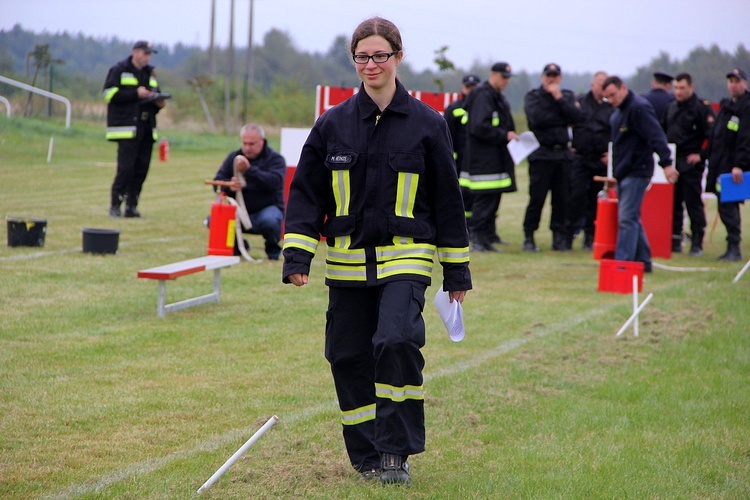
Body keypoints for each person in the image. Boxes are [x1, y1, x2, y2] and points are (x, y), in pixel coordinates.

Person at [281, 17, 471, 486]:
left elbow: (448, 201)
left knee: (396, 341)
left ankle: (395, 453)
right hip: (346, 263)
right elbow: (306, 194)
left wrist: (457, 272)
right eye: (362, 56)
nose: (371, 64)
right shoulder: (332, 124)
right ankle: (365, 455)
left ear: (398, 58)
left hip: (407, 259)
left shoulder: (429, 125)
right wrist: (297, 257)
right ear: (354, 61)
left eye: (380, 55)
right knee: (346, 355)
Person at [602, 76, 678, 271]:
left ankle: (622, 265)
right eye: (607, 97)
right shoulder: (617, 113)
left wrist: (667, 163)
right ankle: (644, 262)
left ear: (623, 88)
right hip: (623, 173)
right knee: (632, 217)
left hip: (638, 171)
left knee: (626, 218)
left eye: (613, 95)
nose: (611, 100)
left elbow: (656, 135)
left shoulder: (638, 107)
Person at [522, 63, 584, 251]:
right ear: (542, 77)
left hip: (562, 155)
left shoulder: (565, 96)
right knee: (537, 198)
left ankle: (558, 237)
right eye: (548, 75)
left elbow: (577, 117)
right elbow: (537, 119)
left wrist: (558, 99)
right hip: (542, 154)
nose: (551, 78)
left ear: (560, 78)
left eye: (555, 75)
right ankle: (529, 236)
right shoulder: (533, 96)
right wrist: (561, 115)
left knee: (562, 199)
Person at [104, 40, 166, 218]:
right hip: (127, 128)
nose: (147, 58)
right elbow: (109, 94)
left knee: (141, 169)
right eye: (145, 54)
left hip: (146, 128)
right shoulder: (119, 70)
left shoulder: (150, 73)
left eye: (149, 54)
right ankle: (115, 206)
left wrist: (159, 102)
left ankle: (132, 206)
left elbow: (155, 94)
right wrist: (135, 94)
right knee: (126, 169)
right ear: (135, 52)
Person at [462, 62, 518, 252]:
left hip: (495, 160)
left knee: (492, 201)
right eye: (503, 77)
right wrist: (504, 135)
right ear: (492, 74)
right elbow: (479, 127)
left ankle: (485, 239)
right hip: (483, 161)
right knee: (484, 201)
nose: (505, 81)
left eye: (508, 78)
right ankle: (476, 238)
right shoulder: (482, 94)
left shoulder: (496, 96)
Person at [212, 124, 286, 260]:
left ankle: (272, 250)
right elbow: (217, 181)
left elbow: (274, 182)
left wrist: (250, 170)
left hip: (266, 209)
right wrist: (230, 186)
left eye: (252, 144)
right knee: (214, 219)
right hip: (239, 211)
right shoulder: (233, 158)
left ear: (261, 141)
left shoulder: (275, 159)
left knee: (270, 220)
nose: (247, 147)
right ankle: (238, 247)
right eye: (244, 143)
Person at [663, 72, 716, 256]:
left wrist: (701, 155)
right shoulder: (671, 107)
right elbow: (663, 131)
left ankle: (696, 242)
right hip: (673, 160)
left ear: (691, 88)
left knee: (693, 203)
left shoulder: (701, 108)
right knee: (673, 203)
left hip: (690, 162)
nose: (678, 92)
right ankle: (675, 240)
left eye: (682, 88)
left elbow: (712, 136)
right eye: (675, 88)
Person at [705, 67, 750, 262]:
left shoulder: (747, 107)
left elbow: (746, 139)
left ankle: (735, 247)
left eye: (737, 81)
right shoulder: (725, 106)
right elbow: (716, 134)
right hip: (720, 165)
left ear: (745, 84)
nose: (733, 85)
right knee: (723, 204)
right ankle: (730, 246)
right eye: (730, 81)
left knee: (729, 205)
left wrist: (739, 164)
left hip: (734, 167)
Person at [568, 71, 613, 250]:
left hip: (600, 161)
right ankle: (569, 234)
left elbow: (616, 131)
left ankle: (590, 236)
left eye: (605, 85)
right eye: (600, 84)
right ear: (592, 85)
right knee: (575, 197)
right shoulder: (579, 103)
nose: (602, 89)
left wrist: (612, 153)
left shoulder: (611, 107)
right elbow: (566, 123)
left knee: (596, 200)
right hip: (579, 158)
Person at [443, 74, 480, 223]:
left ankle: (485, 229)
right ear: (463, 88)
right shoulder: (454, 108)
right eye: (468, 87)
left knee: (481, 196)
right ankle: (464, 226)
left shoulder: (484, 107)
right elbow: (447, 137)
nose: (471, 91)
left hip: (478, 159)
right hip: (459, 161)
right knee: (463, 195)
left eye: (474, 88)